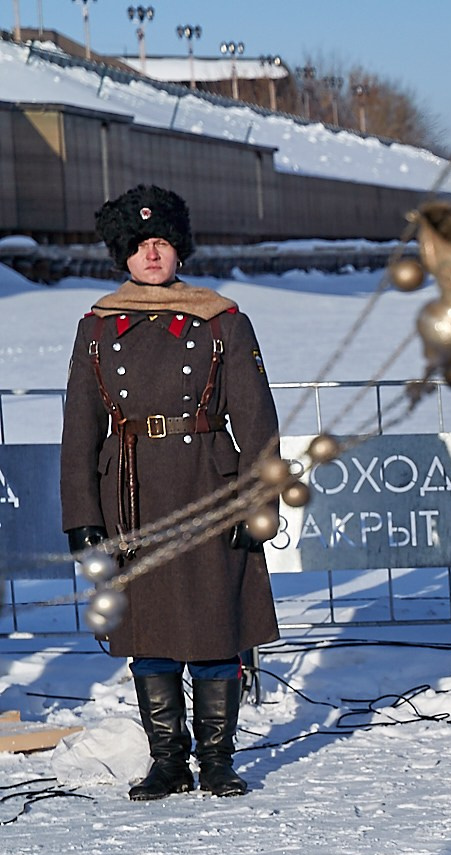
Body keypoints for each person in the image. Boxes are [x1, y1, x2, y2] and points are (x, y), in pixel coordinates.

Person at [60, 185, 279, 801]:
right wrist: (82, 516)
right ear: (122, 257)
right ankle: (167, 761)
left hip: (207, 488)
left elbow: (258, 422)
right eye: (138, 245)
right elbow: (79, 429)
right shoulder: (97, 326)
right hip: (129, 498)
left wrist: (256, 502)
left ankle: (216, 759)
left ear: (178, 250)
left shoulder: (223, 318)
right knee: (148, 634)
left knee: (213, 628)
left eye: (161, 243)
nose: (151, 255)